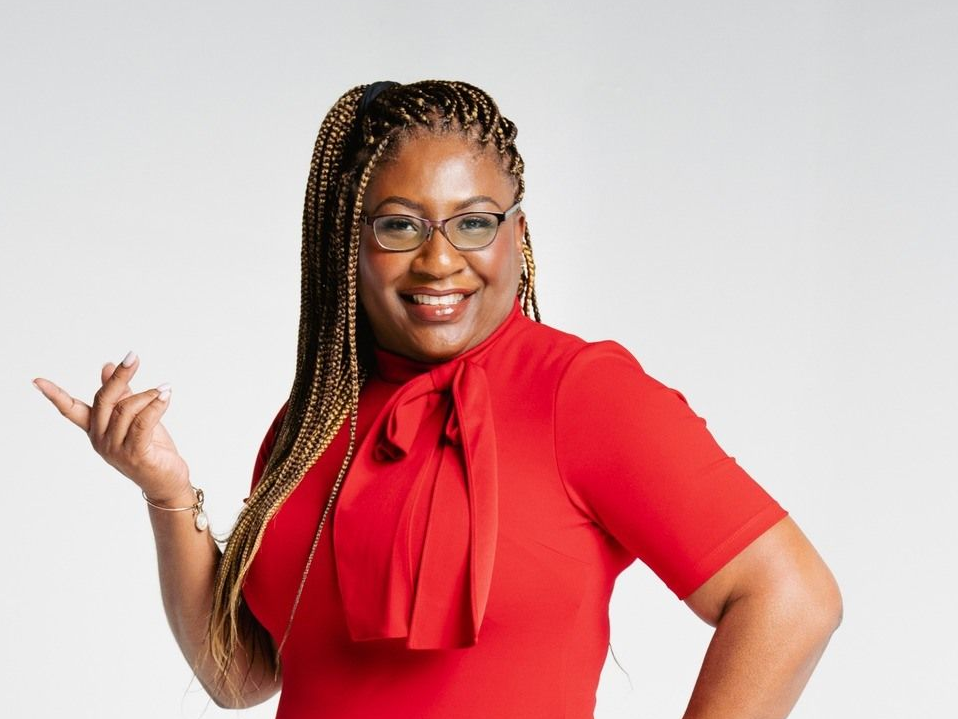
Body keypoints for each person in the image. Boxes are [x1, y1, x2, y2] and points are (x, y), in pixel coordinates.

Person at [33, 79, 842, 718]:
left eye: (473, 223)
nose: (440, 261)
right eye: (399, 227)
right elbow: (242, 677)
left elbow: (791, 597)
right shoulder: (312, 421)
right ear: (345, 241)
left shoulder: (580, 392)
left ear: (517, 237)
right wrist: (168, 495)